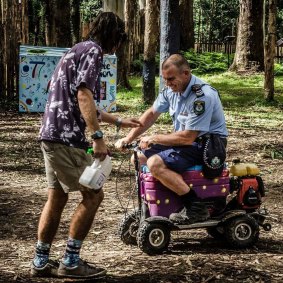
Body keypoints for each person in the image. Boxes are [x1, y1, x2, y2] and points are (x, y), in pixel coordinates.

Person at [31, 12, 142, 279]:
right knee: (93, 195)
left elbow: (78, 100)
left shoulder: (76, 50)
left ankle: (40, 260)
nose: (118, 45)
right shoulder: (93, 51)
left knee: (57, 197)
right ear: (113, 36)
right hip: (67, 138)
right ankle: (70, 260)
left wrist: (117, 120)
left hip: (51, 134)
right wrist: (97, 137)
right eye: (120, 39)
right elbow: (83, 94)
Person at [116, 53, 228, 225]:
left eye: (171, 79)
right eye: (165, 79)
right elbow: (152, 114)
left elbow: (188, 138)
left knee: (154, 163)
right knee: (138, 157)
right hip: (187, 143)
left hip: (207, 145)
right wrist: (128, 138)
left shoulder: (202, 97)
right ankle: (157, 203)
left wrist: (155, 138)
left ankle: (195, 207)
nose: (167, 83)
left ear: (186, 73)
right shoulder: (172, 90)